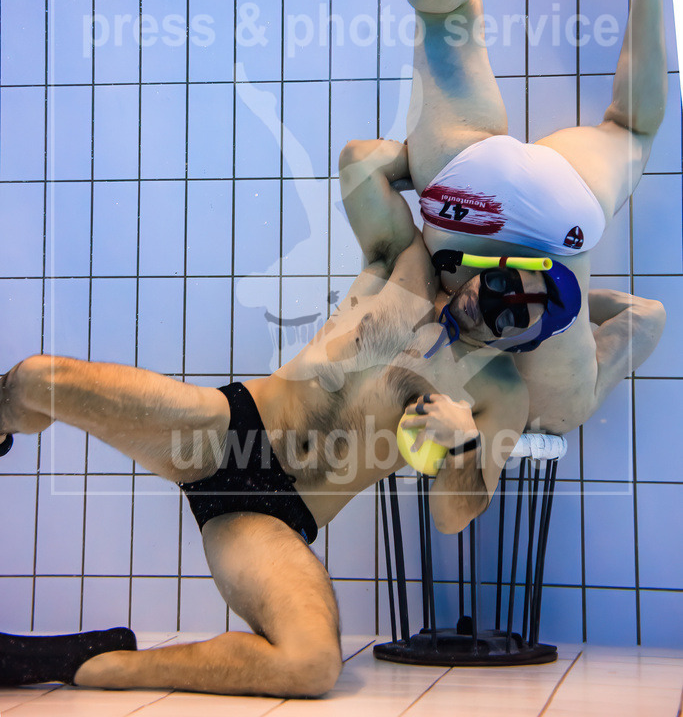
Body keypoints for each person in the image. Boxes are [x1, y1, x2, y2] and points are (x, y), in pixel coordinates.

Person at [0, 135, 535, 696]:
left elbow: (454, 517)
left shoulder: (498, 394)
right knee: (39, 380)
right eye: (503, 284)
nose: (495, 303)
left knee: (310, 664)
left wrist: (464, 445)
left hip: (277, 519)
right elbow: (359, 160)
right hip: (227, 431)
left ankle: (91, 662)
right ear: (490, 263)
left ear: (527, 340)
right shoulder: (406, 263)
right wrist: (458, 182)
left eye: (516, 316)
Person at [378, 0, 669, 432]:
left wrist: (580, 288)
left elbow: (648, 316)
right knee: (445, 30)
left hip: (560, 224)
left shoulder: (553, 389)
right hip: (462, 202)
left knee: (628, 129)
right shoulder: (480, 384)